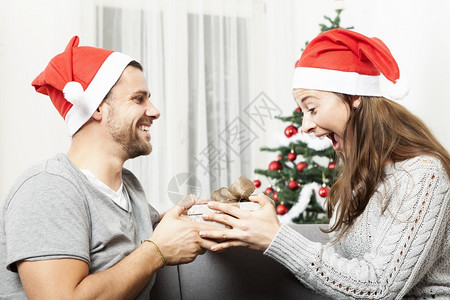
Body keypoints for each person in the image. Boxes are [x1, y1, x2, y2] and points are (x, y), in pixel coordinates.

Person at [199, 29, 450, 299]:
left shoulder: (422, 175)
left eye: (312, 108)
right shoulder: (360, 180)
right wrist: (259, 229)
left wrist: (276, 237)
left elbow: (380, 288)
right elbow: (340, 266)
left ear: (355, 98)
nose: (305, 126)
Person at [0, 36, 218, 299]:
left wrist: (195, 216)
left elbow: (155, 236)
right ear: (97, 109)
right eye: (139, 99)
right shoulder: (47, 189)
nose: (155, 111)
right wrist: (156, 251)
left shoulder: (130, 189)